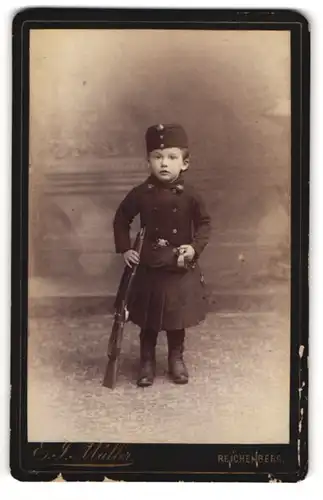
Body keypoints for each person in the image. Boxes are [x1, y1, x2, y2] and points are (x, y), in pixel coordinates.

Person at [113, 123, 211, 387]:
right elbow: (121, 219)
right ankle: (146, 361)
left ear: (185, 163)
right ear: (148, 162)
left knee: (175, 316)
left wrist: (194, 248)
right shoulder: (140, 194)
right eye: (157, 157)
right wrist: (125, 248)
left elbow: (204, 224)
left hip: (179, 265)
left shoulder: (191, 195)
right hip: (149, 265)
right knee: (149, 317)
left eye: (171, 157)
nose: (164, 163)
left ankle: (176, 358)